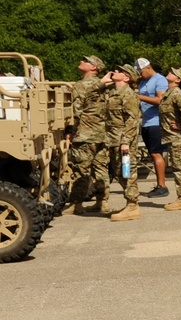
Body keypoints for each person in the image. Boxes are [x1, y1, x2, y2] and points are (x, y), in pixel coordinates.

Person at [62, 56, 111, 215]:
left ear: (94, 68)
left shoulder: (81, 85)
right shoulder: (103, 86)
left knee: (81, 170)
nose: (82, 61)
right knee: (100, 169)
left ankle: (77, 204)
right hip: (101, 134)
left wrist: (69, 130)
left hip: (84, 134)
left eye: (86, 61)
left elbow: (76, 111)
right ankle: (102, 202)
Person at [104, 64, 142, 222]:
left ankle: (132, 206)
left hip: (123, 141)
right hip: (113, 139)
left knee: (128, 171)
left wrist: (125, 141)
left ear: (127, 78)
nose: (115, 71)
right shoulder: (112, 92)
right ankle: (130, 203)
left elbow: (132, 120)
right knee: (120, 171)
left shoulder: (128, 94)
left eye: (119, 71)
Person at [158, 67, 181, 211]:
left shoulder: (177, 94)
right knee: (178, 167)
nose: (169, 72)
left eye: (173, 73)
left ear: (178, 80)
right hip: (172, 137)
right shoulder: (169, 93)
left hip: (178, 137)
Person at [136, 57, 170, 198]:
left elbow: (160, 100)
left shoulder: (159, 80)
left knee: (157, 153)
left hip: (156, 122)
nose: (140, 74)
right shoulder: (143, 81)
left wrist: (138, 97)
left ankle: (162, 186)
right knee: (153, 153)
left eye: (141, 71)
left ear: (148, 68)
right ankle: (159, 185)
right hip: (146, 122)